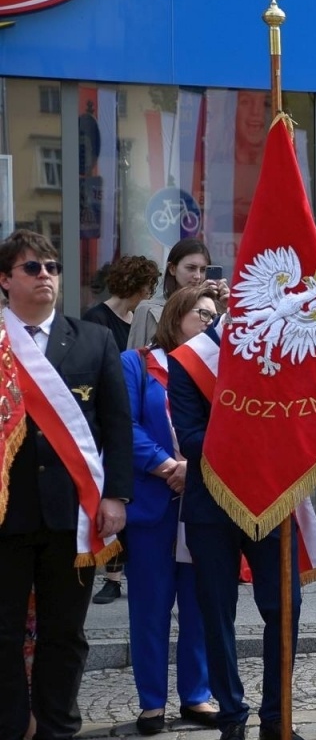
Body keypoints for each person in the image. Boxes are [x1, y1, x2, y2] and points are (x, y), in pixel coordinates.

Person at [0, 231, 132, 740]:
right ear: (6, 279)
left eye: (52, 266)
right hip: (5, 515)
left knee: (65, 634)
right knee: (3, 636)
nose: (45, 275)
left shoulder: (93, 340)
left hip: (72, 516)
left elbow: (116, 427)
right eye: (32, 267)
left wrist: (116, 496)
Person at [169, 301, 313, 740]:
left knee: (284, 610)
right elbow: (189, 437)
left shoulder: (280, 356)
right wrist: (250, 430)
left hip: (270, 499)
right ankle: (231, 719)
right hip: (211, 505)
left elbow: (300, 422)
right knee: (217, 614)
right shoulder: (190, 360)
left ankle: (276, 719)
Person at [121, 286, 223, 735]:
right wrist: (168, 467)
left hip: (202, 500)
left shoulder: (218, 369)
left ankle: (196, 695)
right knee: (150, 603)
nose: (210, 322)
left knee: (199, 602)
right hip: (154, 503)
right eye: (202, 314)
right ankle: (151, 702)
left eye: (215, 317)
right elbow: (122, 424)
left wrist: (195, 470)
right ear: (176, 314)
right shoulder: (137, 363)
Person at [85, 254, 162, 606]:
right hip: (107, 414)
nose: (150, 291)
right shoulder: (97, 319)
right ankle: (112, 574)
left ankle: (121, 570)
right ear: (137, 285)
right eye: (148, 285)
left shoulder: (140, 318)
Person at [128, 239, 216, 353]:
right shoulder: (148, 310)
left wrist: (227, 307)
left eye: (203, 270)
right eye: (191, 268)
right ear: (172, 269)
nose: (198, 276)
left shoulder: (213, 310)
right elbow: (134, 358)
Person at [85, 254, 161, 353]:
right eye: (148, 289)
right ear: (134, 286)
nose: (149, 296)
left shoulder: (136, 317)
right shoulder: (95, 318)